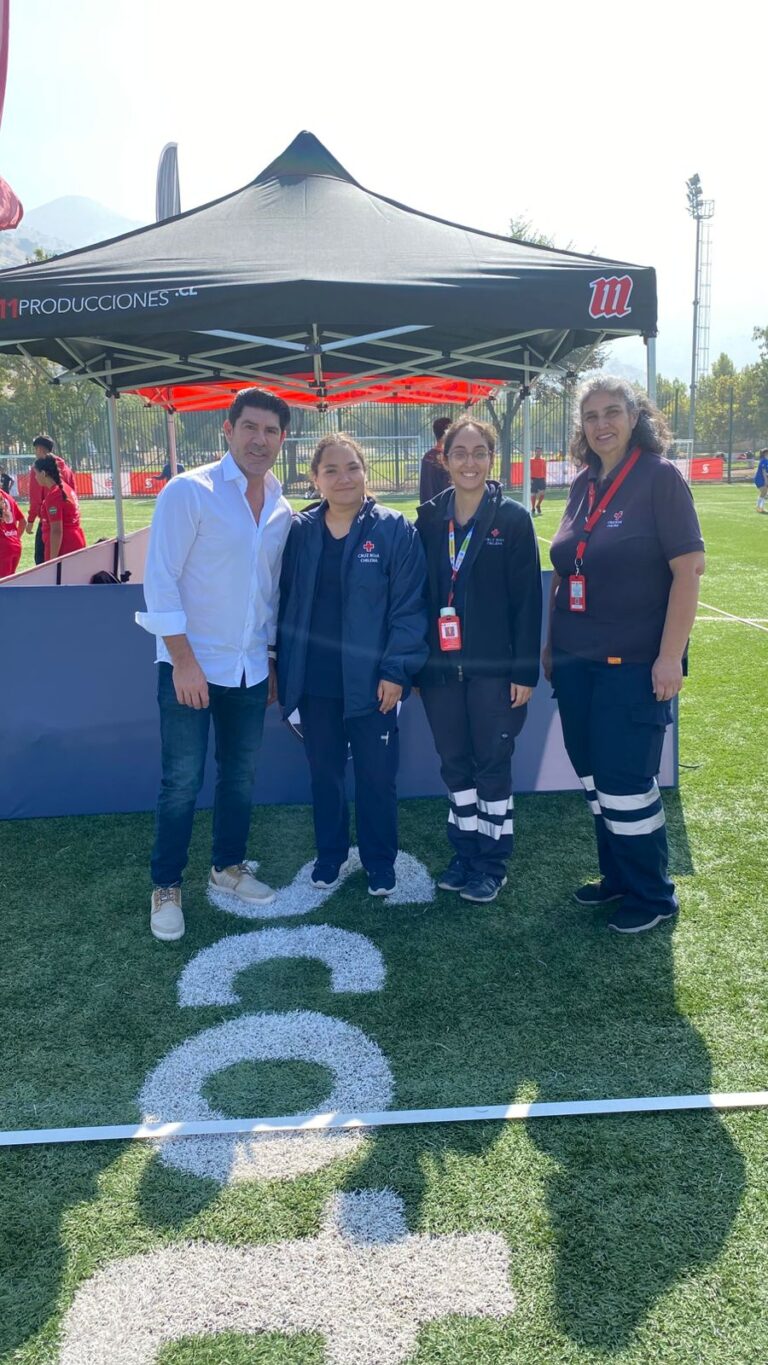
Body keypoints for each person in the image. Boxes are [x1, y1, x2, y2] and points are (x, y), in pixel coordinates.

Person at [543, 377, 706, 934]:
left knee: (626, 781)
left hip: (632, 663)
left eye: (613, 412)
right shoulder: (585, 483)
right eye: (590, 416)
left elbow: (688, 574)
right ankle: (616, 877)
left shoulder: (659, 479)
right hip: (575, 662)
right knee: (592, 775)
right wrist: (551, 645)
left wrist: (670, 656)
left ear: (636, 418)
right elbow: (569, 571)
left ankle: (653, 894)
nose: (601, 424)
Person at [135, 387, 293, 942]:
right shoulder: (189, 491)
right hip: (188, 668)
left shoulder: (280, 505)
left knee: (240, 777)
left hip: (249, 669)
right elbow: (160, 579)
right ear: (227, 430)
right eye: (250, 427)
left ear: (282, 440)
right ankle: (166, 886)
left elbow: (268, 594)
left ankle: (227, 868)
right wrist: (182, 661)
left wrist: (269, 659)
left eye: (271, 431)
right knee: (181, 781)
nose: (260, 439)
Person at [278, 434, 428, 896]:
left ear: (365, 472)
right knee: (324, 774)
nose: (343, 478)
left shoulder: (394, 529)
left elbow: (408, 608)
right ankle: (330, 855)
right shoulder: (300, 533)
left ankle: (380, 861)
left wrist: (395, 671)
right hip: (315, 682)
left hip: (373, 683)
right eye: (331, 470)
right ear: (314, 479)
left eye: (352, 468)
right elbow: (282, 604)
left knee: (376, 778)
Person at [415, 416, 542, 904]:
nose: (469, 462)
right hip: (441, 673)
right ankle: (464, 853)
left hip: (494, 673)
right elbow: (417, 598)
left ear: (492, 459)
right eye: (459, 453)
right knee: (455, 767)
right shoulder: (428, 520)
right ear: (443, 460)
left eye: (479, 452)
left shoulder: (512, 519)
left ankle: (492, 862)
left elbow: (527, 602)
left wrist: (524, 672)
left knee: (492, 767)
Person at [26, 435, 76, 565]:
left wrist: (31, 519)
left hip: (51, 522)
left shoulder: (40, 470)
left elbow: (36, 498)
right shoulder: (67, 469)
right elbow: (73, 495)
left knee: (43, 564)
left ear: (40, 449)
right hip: (71, 527)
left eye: (36, 449)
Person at [31, 455, 87, 561]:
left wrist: (52, 560)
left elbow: (56, 531)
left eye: (36, 473)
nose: (35, 477)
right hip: (74, 542)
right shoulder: (66, 488)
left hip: (64, 548)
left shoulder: (54, 495)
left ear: (43, 473)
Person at [419, 416, 452, 503]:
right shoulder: (447, 459)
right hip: (444, 510)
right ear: (447, 433)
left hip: (428, 508)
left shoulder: (427, 457)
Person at [0, 487, 26, 577]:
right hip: (14, 546)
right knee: (9, 584)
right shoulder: (8, 497)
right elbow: (23, 521)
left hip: (2, 548)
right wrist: (16, 538)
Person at [530, 447, 547, 515]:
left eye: (540, 451)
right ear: (535, 452)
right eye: (537, 451)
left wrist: (545, 478)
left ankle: (538, 505)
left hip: (541, 479)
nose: (538, 453)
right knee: (533, 494)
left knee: (542, 494)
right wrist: (530, 478)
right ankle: (533, 507)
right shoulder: (531, 460)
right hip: (534, 479)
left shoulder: (543, 460)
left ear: (541, 452)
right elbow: (529, 469)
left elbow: (544, 470)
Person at [754, 448, 768, 512]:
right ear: (766, 453)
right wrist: (766, 481)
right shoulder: (764, 461)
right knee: (763, 492)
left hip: (762, 478)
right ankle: (758, 507)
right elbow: (763, 471)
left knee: (764, 493)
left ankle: (760, 508)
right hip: (760, 479)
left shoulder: (765, 460)